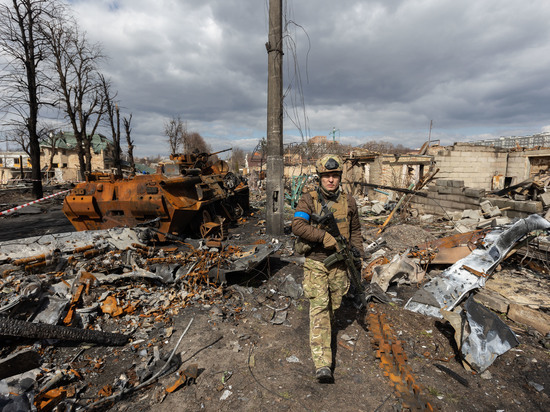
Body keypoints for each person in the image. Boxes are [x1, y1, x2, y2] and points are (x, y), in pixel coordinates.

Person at [291, 154, 363, 383]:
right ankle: (323, 364)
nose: (330, 180)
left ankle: (323, 334)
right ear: (320, 177)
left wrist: (357, 254)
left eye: (334, 176)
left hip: (340, 264)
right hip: (317, 262)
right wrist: (324, 237)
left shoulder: (350, 201)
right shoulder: (308, 200)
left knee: (335, 304)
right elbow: (297, 226)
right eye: (326, 176)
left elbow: (356, 231)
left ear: (340, 177)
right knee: (320, 308)